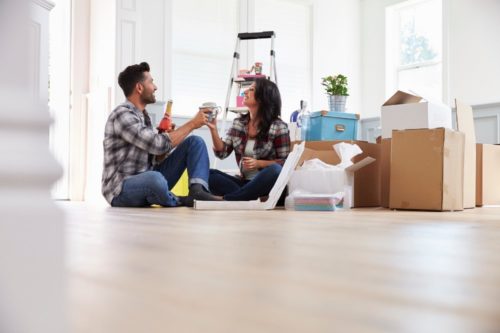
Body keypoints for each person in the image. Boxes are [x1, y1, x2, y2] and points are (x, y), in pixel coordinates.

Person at [101, 62, 220, 207]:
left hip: (148, 178)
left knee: (195, 142)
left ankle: (197, 192)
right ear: (139, 87)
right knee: (154, 179)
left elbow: (157, 157)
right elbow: (157, 145)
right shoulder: (122, 115)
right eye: (151, 82)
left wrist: (171, 138)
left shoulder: (144, 117)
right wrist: (192, 124)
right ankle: (178, 200)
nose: (155, 87)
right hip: (121, 189)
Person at [207, 78, 290, 201]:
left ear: (263, 98)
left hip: (267, 185)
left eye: (251, 89)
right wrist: (213, 129)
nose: (245, 92)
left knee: (275, 170)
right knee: (208, 174)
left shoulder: (279, 127)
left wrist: (259, 163)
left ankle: (228, 199)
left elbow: (286, 164)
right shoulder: (238, 123)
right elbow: (222, 153)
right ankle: (245, 198)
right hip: (244, 183)